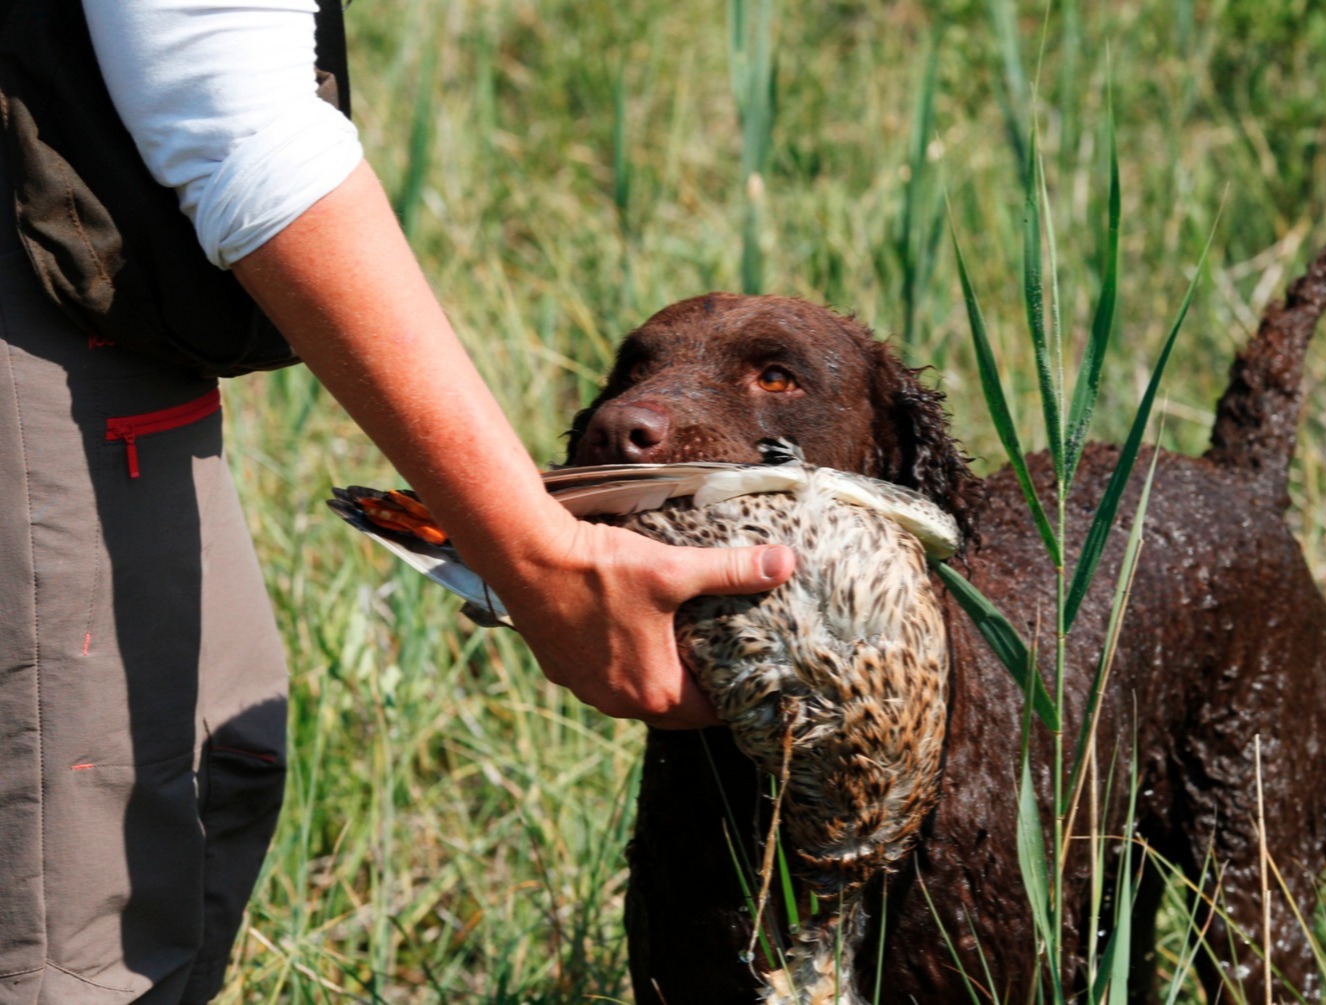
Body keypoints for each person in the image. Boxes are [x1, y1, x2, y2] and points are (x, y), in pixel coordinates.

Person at [0, 2, 795, 1002]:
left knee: (213, 770)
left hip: (97, 253)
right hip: (38, 260)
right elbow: (236, 121)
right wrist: (539, 558)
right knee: (78, 900)